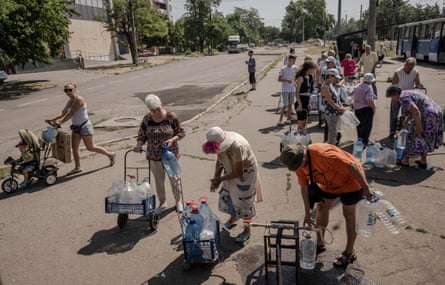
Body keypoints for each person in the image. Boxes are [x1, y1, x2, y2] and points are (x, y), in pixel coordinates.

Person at [280, 143, 372, 267]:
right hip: (330, 181)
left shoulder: (324, 156)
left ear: (303, 157)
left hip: (351, 180)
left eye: (298, 165)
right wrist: (307, 212)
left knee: (348, 214)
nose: (298, 169)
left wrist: (366, 188)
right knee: (322, 207)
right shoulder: (297, 163)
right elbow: (304, 187)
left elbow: (353, 167)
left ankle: (349, 252)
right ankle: (320, 243)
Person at [202, 127, 263, 243]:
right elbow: (219, 162)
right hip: (230, 171)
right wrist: (216, 178)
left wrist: (220, 179)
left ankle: (247, 230)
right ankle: (233, 217)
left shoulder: (237, 146)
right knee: (230, 196)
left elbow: (239, 172)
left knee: (245, 203)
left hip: (246, 173)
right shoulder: (219, 143)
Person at [45, 83, 115, 175]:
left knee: (90, 148)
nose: (68, 92)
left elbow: (71, 114)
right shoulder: (70, 101)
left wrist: (61, 122)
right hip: (76, 127)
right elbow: (63, 112)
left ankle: (110, 154)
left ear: (75, 90)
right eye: (66, 90)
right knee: (74, 148)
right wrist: (52, 119)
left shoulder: (79, 99)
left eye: (70, 90)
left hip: (85, 126)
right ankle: (78, 167)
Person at [133, 94, 186, 212]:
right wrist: (139, 145)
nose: (156, 112)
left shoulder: (171, 117)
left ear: (161, 103)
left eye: (157, 108)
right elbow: (142, 134)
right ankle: (162, 202)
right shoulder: (147, 118)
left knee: (175, 179)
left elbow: (181, 133)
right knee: (159, 181)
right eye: (153, 110)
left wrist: (172, 140)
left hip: (170, 155)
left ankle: (178, 201)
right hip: (153, 156)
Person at [386, 86, 443, 168]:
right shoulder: (408, 92)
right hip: (435, 112)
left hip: (426, 114)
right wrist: (407, 118)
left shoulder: (403, 97)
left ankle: (405, 161)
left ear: (395, 94)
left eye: (392, 97)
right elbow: (415, 106)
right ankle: (423, 160)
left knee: (411, 135)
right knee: (424, 137)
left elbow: (415, 111)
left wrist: (418, 126)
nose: (392, 100)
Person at [389, 57, 425, 137]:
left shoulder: (415, 72)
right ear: (405, 64)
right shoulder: (398, 72)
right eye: (408, 67)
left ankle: (402, 132)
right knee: (394, 115)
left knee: (405, 116)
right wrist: (393, 98)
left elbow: (417, 83)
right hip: (397, 96)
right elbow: (393, 85)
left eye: (411, 67)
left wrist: (419, 85)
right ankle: (392, 132)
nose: (409, 69)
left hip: (408, 97)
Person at [350, 73, 377, 145]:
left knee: (359, 125)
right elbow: (369, 100)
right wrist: (373, 108)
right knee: (366, 126)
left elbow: (351, 94)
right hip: (366, 109)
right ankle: (364, 141)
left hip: (357, 109)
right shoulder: (368, 88)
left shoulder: (357, 86)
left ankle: (360, 139)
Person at [320, 69, 344, 145]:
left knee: (335, 130)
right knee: (333, 132)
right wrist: (338, 108)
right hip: (330, 112)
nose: (336, 79)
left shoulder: (330, 84)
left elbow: (336, 98)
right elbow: (329, 101)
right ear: (329, 76)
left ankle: (332, 146)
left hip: (334, 111)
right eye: (334, 77)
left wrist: (340, 106)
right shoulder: (325, 86)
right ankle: (331, 148)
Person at [295, 61, 317, 131]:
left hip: (307, 100)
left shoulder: (308, 77)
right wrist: (300, 104)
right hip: (301, 100)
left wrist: (309, 103)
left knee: (305, 123)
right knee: (300, 123)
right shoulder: (301, 78)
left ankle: (303, 138)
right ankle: (299, 139)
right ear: (309, 69)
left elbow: (309, 91)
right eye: (313, 69)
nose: (314, 71)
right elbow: (297, 92)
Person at [277, 54, 297, 126]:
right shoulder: (283, 68)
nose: (294, 61)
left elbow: (296, 77)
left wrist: (296, 84)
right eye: (292, 60)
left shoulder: (295, 67)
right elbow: (279, 79)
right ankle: (280, 120)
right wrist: (286, 81)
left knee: (290, 105)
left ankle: (288, 119)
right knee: (285, 105)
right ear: (289, 60)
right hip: (285, 89)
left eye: (294, 60)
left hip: (292, 89)